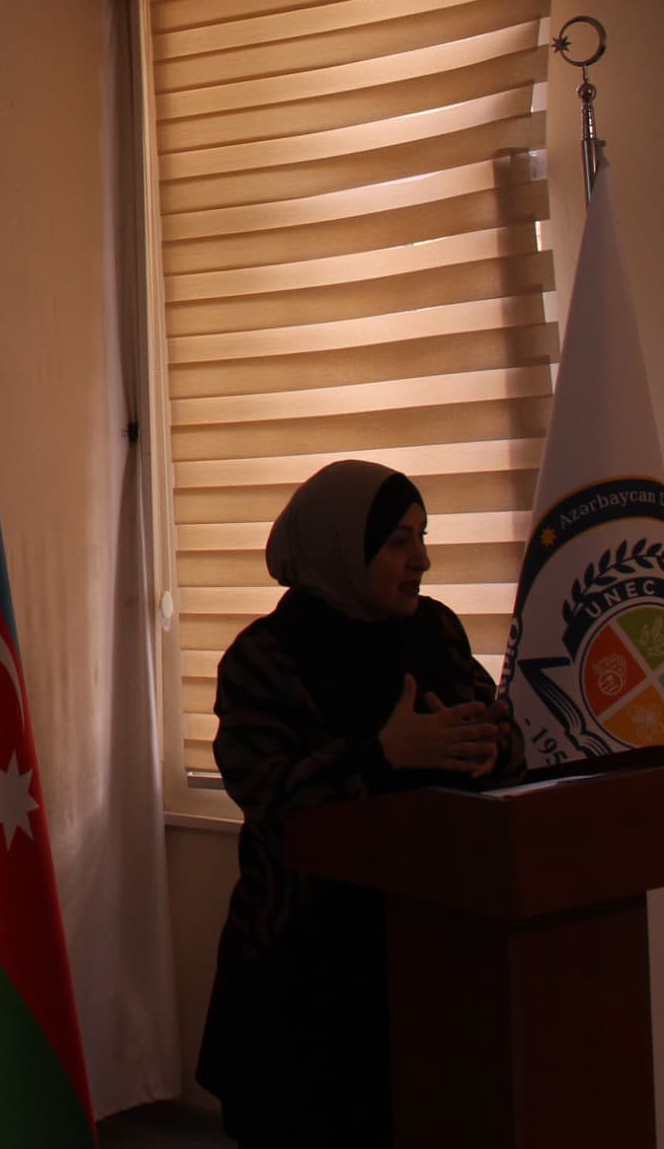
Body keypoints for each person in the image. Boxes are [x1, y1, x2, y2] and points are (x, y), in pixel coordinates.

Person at [194, 459, 521, 1149]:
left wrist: (492, 746)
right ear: (341, 545)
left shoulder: (434, 631)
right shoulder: (264, 659)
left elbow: (490, 730)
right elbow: (269, 797)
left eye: (422, 537)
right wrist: (384, 754)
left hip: (432, 960)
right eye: (399, 542)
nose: (422, 560)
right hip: (304, 981)